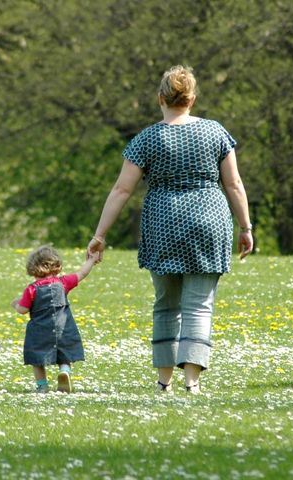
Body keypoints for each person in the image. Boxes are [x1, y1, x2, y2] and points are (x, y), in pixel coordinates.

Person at [87, 65, 253, 395]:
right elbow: (233, 183)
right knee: (199, 305)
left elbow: (122, 190)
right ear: (192, 98)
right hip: (209, 221)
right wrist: (246, 226)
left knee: (166, 304)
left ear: (160, 98)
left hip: (163, 223)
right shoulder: (216, 132)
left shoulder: (146, 138)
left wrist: (100, 234)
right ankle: (192, 382)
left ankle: (164, 381)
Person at [11, 245, 99, 393]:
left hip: (40, 331)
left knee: (37, 359)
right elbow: (82, 273)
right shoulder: (63, 282)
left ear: (33, 267)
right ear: (56, 265)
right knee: (64, 352)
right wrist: (91, 260)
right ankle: (64, 371)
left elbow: (23, 310)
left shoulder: (31, 289)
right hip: (63, 328)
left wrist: (15, 304)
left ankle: (42, 385)